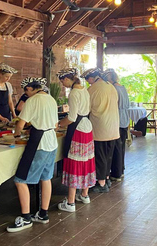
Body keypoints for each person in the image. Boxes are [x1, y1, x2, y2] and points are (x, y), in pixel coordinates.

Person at [8, 77, 58, 232]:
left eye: (26, 91)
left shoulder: (33, 100)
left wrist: (17, 134)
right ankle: (43, 214)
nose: (26, 94)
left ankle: (26, 217)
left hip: (39, 144)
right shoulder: (51, 99)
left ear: (30, 88)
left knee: (20, 180)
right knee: (46, 178)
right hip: (51, 142)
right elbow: (55, 125)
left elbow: (20, 124)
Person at [56, 68, 96, 212]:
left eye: (62, 81)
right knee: (86, 160)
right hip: (87, 126)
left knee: (75, 162)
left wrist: (59, 124)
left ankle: (71, 202)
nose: (63, 84)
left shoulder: (73, 93)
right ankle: (84, 195)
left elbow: (71, 118)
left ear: (67, 79)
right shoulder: (85, 90)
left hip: (77, 129)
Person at [81, 68, 119, 193]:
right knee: (108, 155)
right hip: (113, 126)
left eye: (88, 80)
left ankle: (101, 183)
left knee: (100, 155)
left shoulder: (93, 89)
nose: (88, 83)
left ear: (92, 78)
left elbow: (86, 109)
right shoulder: (111, 87)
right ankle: (107, 178)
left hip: (100, 126)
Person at [103, 68, 130, 182]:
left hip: (117, 119)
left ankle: (116, 172)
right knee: (121, 146)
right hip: (125, 119)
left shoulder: (114, 89)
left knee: (116, 147)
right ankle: (121, 169)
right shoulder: (123, 88)